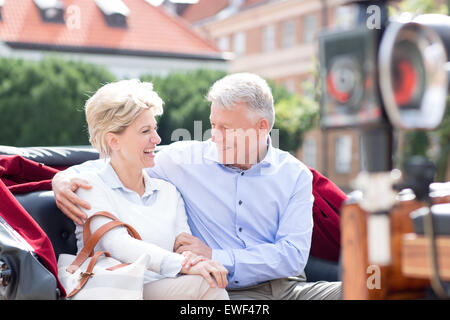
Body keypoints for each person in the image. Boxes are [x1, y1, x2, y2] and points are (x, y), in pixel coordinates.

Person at [53, 73, 342, 300]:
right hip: (223, 290)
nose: (214, 136)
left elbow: (292, 256)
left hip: (290, 290)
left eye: (225, 129)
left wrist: (215, 256)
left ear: (261, 127)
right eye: (213, 124)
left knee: (373, 289)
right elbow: (118, 158)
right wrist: (62, 177)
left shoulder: (294, 175)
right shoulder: (183, 160)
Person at [65, 79, 229, 300]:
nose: (157, 139)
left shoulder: (169, 192)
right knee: (207, 286)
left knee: (209, 281)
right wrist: (183, 264)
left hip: (161, 289)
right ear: (113, 141)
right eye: (145, 131)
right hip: (115, 290)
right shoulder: (89, 186)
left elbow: (183, 244)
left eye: (155, 128)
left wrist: (193, 260)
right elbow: (118, 244)